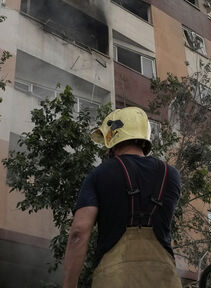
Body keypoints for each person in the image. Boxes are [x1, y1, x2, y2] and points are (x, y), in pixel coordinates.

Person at [62, 106, 182, 288]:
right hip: (166, 279)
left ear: (113, 137)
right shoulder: (171, 175)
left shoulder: (100, 174)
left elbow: (78, 232)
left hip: (113, 278)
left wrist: (69, 285)